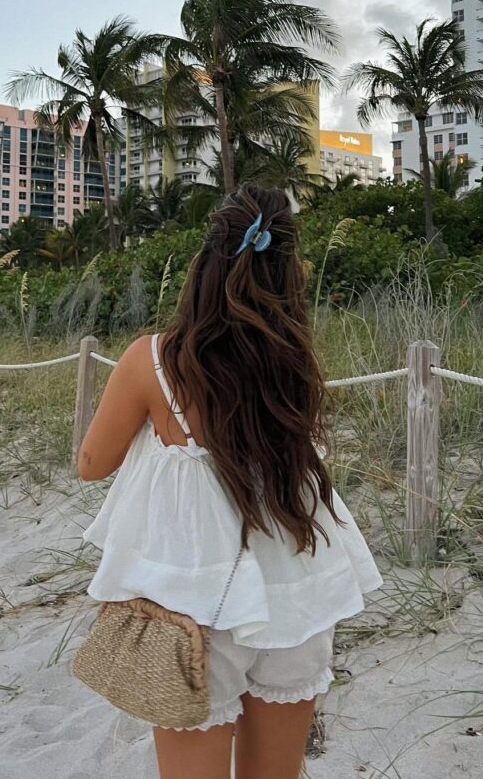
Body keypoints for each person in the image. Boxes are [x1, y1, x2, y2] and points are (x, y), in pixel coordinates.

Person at [76, 183, 383, 779]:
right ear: (290, 270)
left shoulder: (154, 359)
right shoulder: (293, 360)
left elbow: (91, 463)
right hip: (295, 596)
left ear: (204, 264)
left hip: (192, 608)